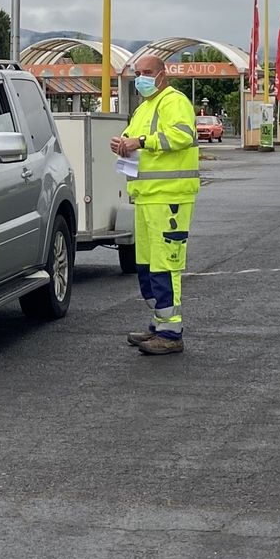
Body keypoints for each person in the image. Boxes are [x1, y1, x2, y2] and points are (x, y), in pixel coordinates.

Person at [110, 55, 200, 355]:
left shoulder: (174, 101)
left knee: (166, 264)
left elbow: (183, 135)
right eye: (138, 73)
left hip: (169, 196)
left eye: (147, 72)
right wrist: (123, 143)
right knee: (147, 265)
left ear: (163, 74)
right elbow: (133, 138)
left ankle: (171, 334)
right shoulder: (144, 107)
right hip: (147, 195)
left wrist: (141, 142)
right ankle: (159, 325)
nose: (142, 78)